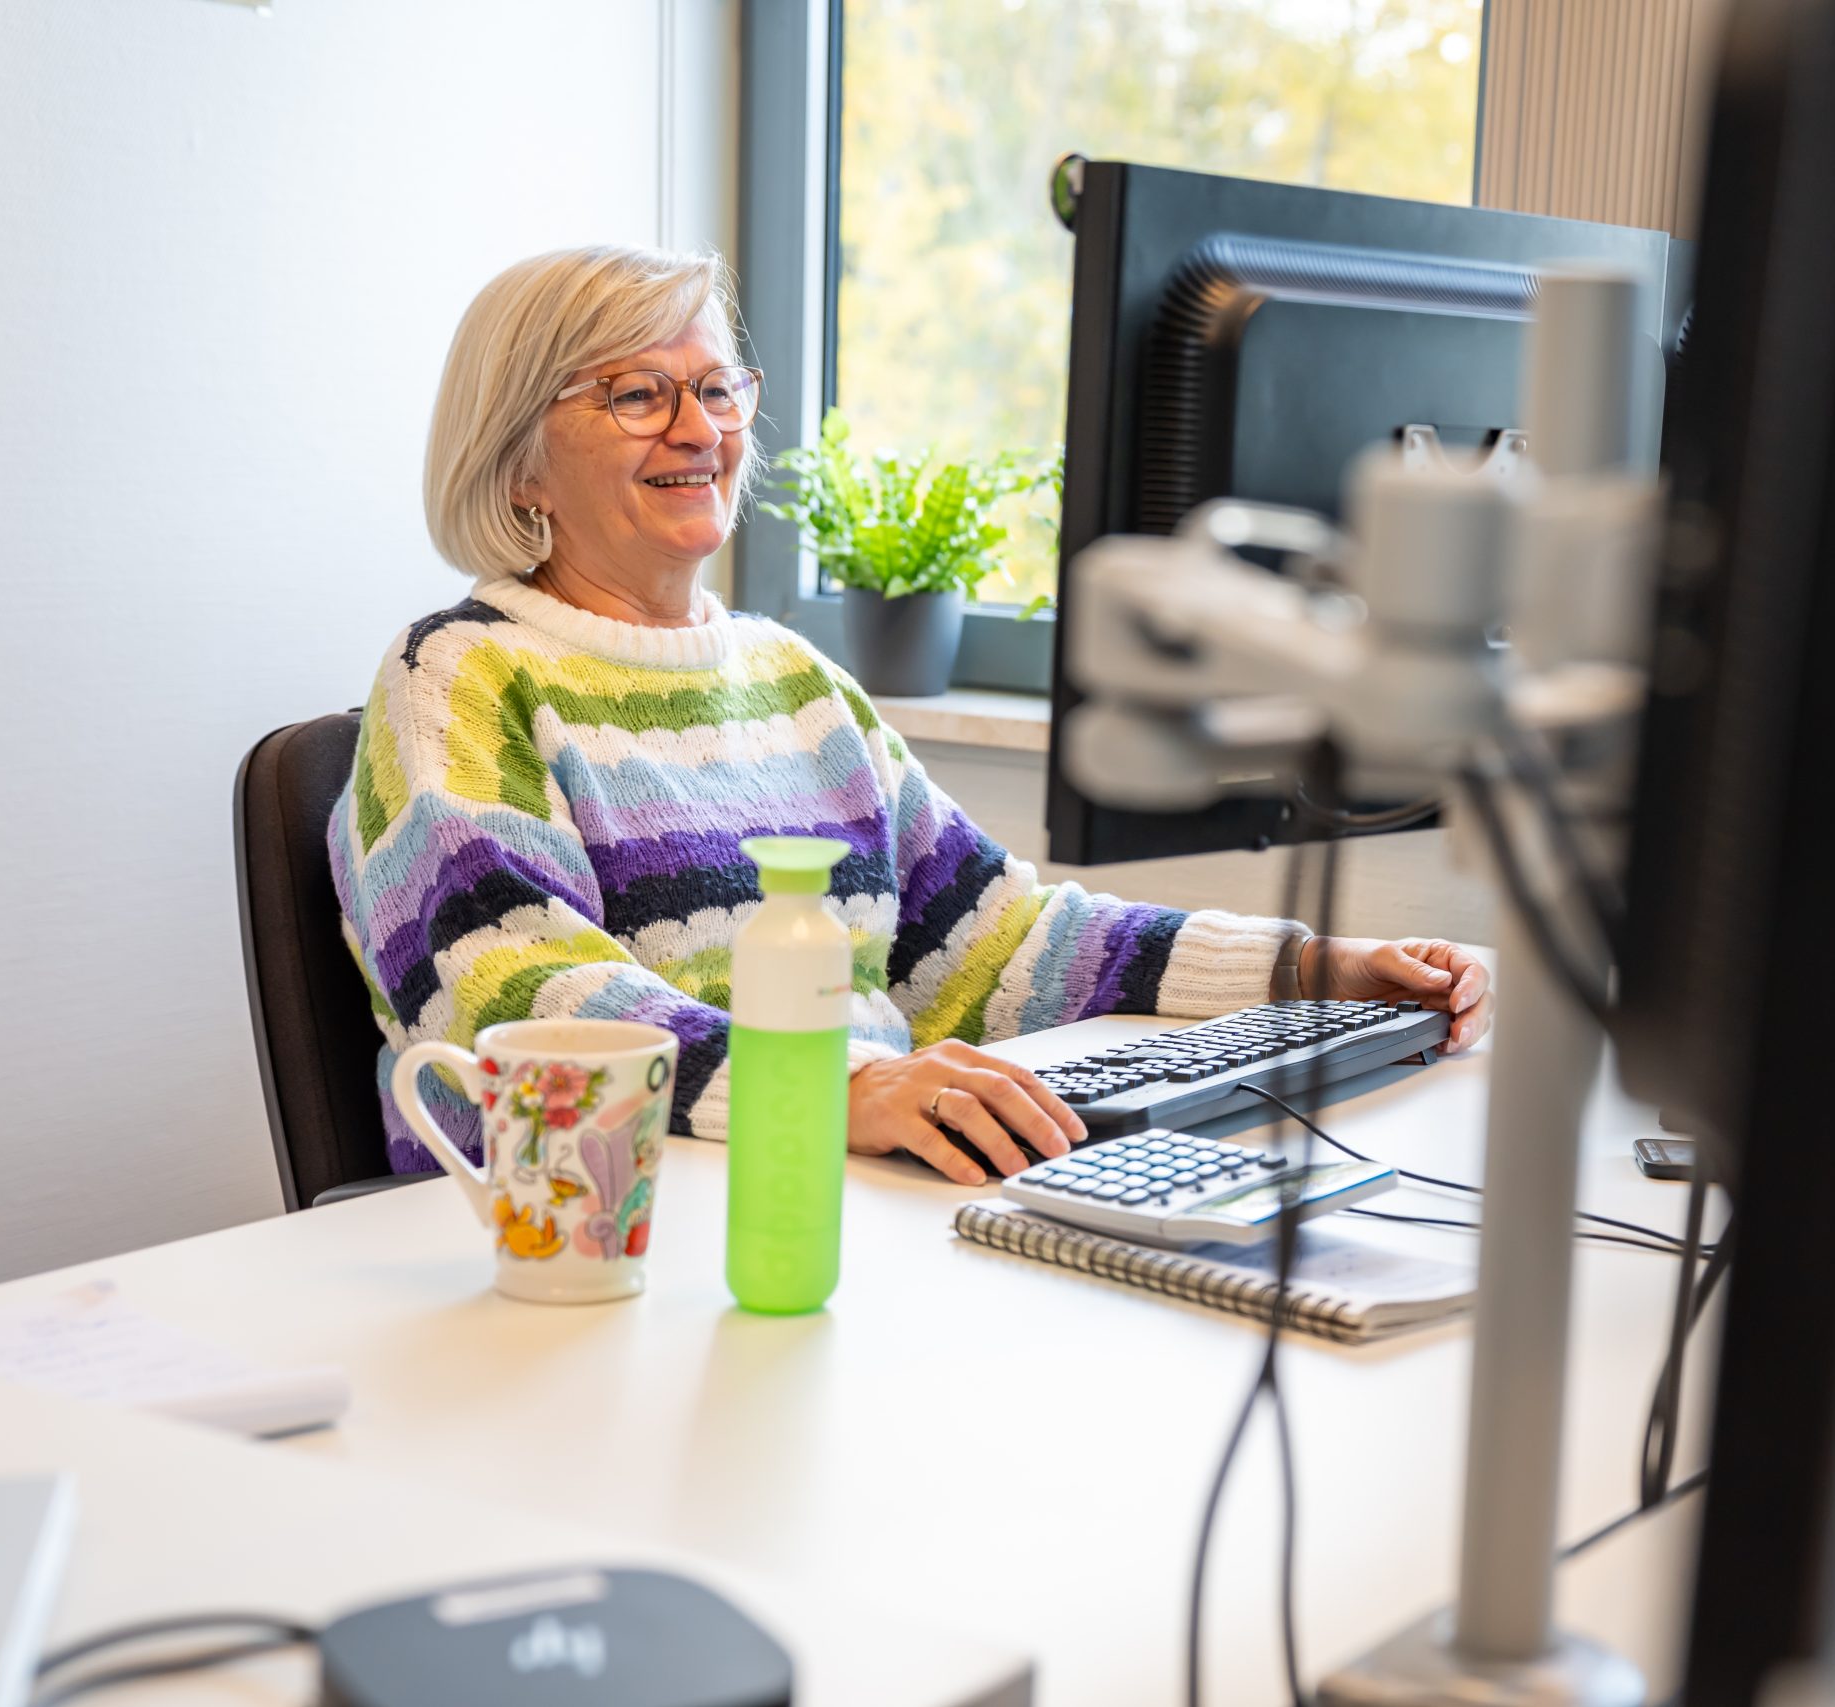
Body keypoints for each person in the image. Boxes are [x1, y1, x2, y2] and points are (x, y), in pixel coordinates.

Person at [330, 244, 1493, 1185]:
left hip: (835, 1193)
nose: (699, 430)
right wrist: (831, 1091)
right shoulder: (459, 677)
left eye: (719, 387)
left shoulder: (792, 680)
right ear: (519, 460)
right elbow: (522, 999)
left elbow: (987, 948)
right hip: (601, 1229)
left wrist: (1308, 969)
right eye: (638, 394)